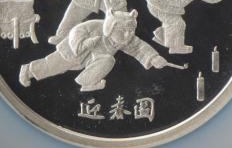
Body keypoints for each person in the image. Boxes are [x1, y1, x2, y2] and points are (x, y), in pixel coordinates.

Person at [19, 9, 168, 92]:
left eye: (131, 31)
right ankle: (28, 70)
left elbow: (139, 46)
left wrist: (153, 58)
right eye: (123, 31)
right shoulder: (94, 27)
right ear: (110, 27)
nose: (127, 35)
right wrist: (83, 44)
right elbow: (76, 32)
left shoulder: (124, 38)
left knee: (108, 60)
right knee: (52, 66)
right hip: (73, 52)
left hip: (94, 57)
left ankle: (87, 83)